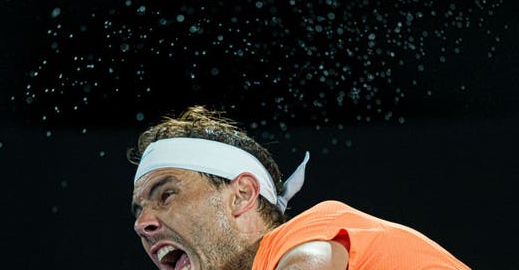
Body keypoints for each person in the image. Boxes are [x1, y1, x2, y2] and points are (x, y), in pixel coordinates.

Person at [129, 105, 470, 270]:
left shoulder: (311, 234)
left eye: (166, 194)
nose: (142, 224)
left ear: (242, 194)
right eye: (139, 208)